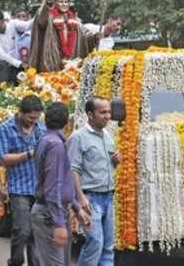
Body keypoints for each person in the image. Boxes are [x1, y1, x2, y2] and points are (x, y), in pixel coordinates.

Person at [31, 102, 91, 266]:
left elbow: (61, 183)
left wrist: (76, 208)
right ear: (67, 122)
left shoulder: (47, 140)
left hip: (52, 212)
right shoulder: (55, 145)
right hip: (50, 215)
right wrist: (58, 223)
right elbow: (53, 187)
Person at [67, 96, 121, 266]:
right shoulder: (78, 137)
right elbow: (72, 170)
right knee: (95, 243)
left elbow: (108, 166)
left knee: (107, 247)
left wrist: (116, 161)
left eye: (109, 112)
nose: (107, 116)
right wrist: (81, 198)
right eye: (103, 112)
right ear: (90, 114)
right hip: (91, 199)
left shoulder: (107, 136)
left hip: (108, 197)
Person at [0, 95, 46, 266]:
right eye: (31, 117)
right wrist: (29, 154)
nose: (34, 121)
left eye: (37, 117)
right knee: (22, 230)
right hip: (19, 188)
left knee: (36, 233)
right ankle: (15, 262)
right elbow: (2, 159)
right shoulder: (5, 129)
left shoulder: (41, 127)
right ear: (20, 112)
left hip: (39, 188)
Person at [30, 0, 99, 72]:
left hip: (71, 61)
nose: (64, 4)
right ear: (54, 1)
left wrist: (94, 37)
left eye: (66, 1)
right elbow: (41, 21)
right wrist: (47, 4)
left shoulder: (73, 18)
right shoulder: (48, 14)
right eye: (61, 1)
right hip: (52, 60)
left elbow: (84, 34)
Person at [0, 8, 32, 87]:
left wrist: (43, 11)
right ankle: (0, 92)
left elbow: (28, 25)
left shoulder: (13, 24)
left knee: (22, 75)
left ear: (3, 20)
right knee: (2, 65)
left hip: (12, 63)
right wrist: (19, 64)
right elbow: (2, 55)